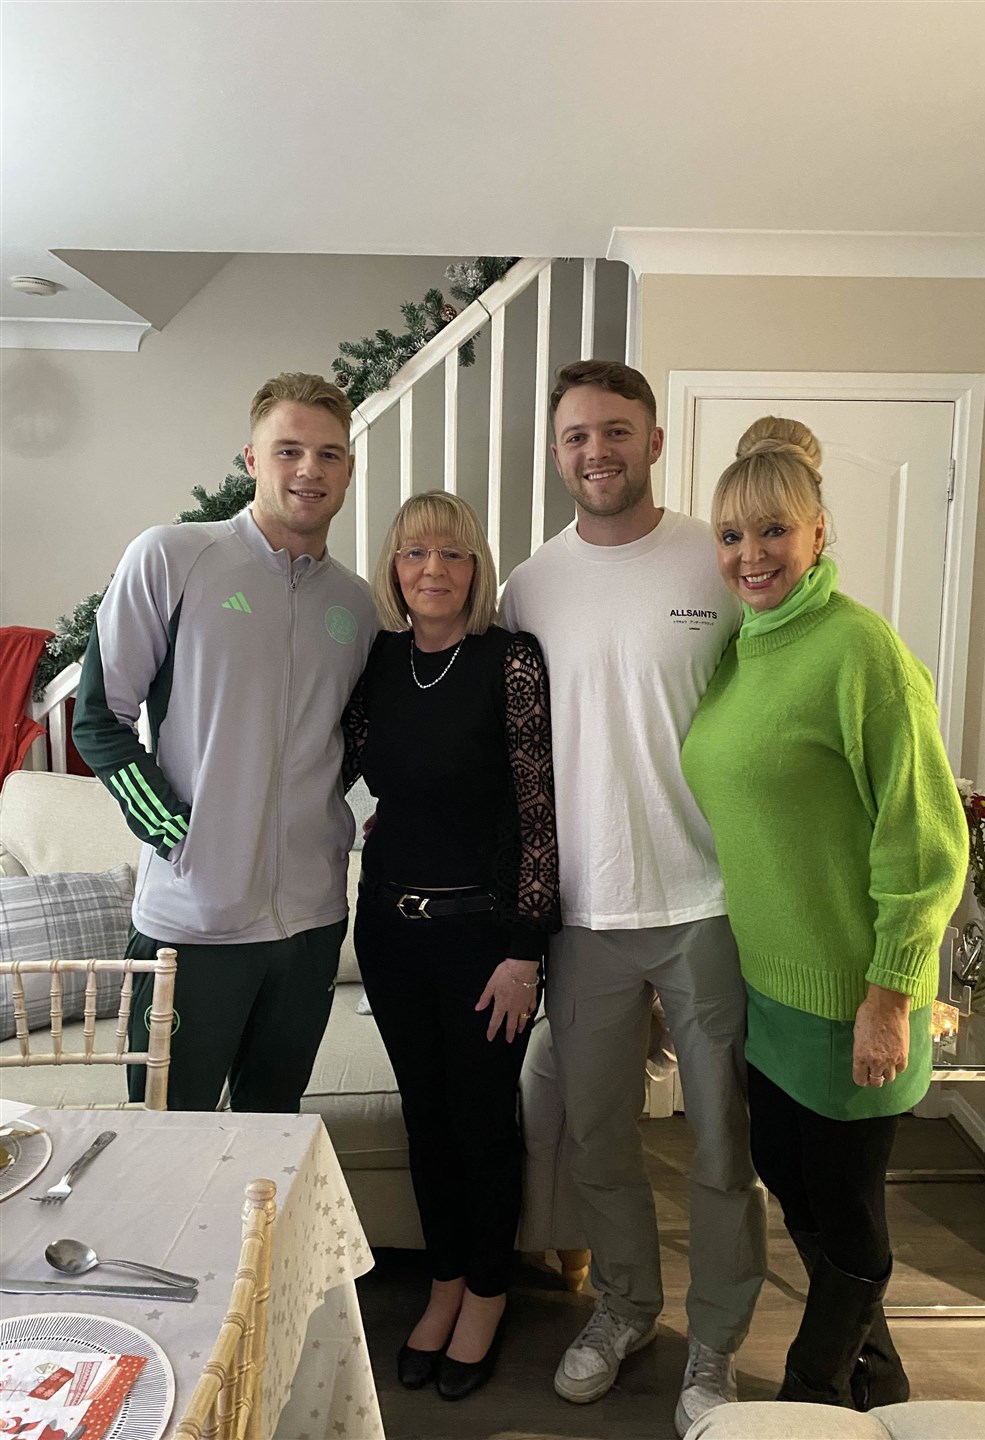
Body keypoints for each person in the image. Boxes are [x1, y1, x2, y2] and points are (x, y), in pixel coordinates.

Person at [500, 361, 767, 1437]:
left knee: (718, 1143)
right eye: (574, 436)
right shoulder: (528, 585)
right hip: (584, 911)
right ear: (556, 452)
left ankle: (716, 1339)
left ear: (655, 441)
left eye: (616, 430)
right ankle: (623, 1305)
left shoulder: (719, 557)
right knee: (600, 1139)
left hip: (707, 902)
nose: (595, 450)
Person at [681, 416, 968, 1409]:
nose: (749, 555)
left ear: (818, 533)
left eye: (772, 532)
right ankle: (880, 1383)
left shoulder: (862, 653)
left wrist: (893, 995)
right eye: (730, 536)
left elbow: (927, 841)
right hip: (774, 989)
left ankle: (808, 1392)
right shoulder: (741, 652)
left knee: (847, 1222)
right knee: (787, 1177)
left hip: (857, 993)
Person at [73, 372, 377, 1112]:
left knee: (269, 1136)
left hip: (310, 924)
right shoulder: (172, 558)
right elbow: (98, 718)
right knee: (166, 1139)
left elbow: (350, 740)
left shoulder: (357, 604)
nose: (310, 470)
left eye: (330, 454)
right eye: (290, 450)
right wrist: (178, 830)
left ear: (348, 469)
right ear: (251, 459)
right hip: (192, 924)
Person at [342, 490, 559, 1402]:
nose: (434, 570)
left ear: (477, 569)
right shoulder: (379, 662)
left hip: (483, 943)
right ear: (394, 567)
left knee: (480, 1123)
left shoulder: (509, 663)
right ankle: (440, 1283)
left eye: (454, 555)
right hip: (389, 931)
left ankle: (487, 1293)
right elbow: (326, 764)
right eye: (415, 553)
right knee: (424, 1119)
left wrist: (526, 950)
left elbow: (537, 814)